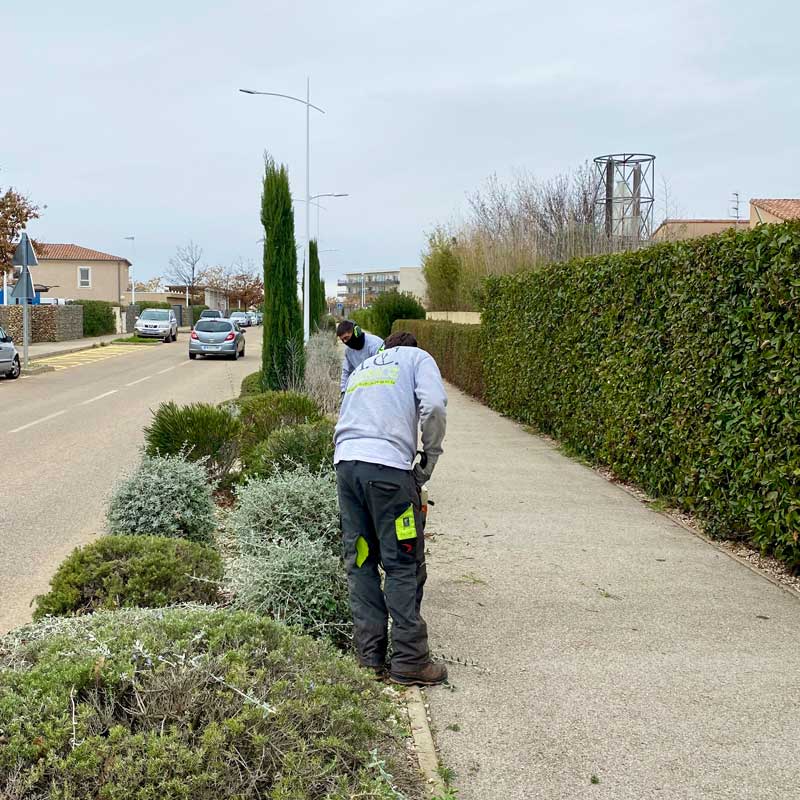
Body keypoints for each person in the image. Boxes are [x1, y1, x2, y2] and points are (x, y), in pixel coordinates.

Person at [334, 330, 448, 686]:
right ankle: (410, 661)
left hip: (347, 468)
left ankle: (369, 657)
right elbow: (434, 407)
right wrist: (428, 460)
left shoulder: (364, 367)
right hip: (387, 474)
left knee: (363, 561)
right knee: (402, 561)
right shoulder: (418, 359)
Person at [336, 320, 384, 395]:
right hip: (364, 388)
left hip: (380, 385)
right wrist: (343, 391)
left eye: (346, 337)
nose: (345, 342)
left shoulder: (375, 344)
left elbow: (383, 369)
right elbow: (346, 372)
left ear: (356, 331)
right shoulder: (348, 352)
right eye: (343, 340)